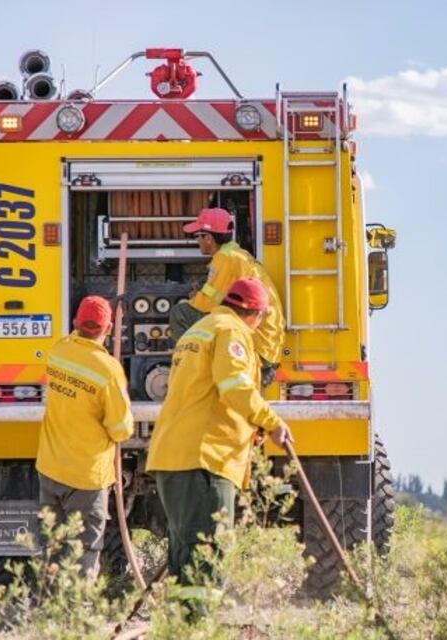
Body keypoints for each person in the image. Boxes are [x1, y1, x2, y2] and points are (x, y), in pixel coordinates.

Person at [147, 278, 291, 603]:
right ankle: (199, 628)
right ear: (255, 313)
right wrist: (270, 422)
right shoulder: (232, 332)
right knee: (207, 556)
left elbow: (204, 394)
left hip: (173, 456)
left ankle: (181, 629)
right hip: (206, 459)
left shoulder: (198, 330)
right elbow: (235, 386)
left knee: (185, 558)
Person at [36, 295, 134, 580]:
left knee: (51, 548)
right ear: (109, 329)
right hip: (86, 477)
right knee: (83, 550)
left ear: (76, 323)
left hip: (51, 469)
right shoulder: (108, 370)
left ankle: (50, 612)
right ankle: (77, 615)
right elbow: (121, 428)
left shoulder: (58, 351)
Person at [168, 207, 285, 385]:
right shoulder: (236, 255)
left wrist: (193, 297)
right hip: (265, 343)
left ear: (208, 238)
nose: (196, 241)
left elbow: (205, 305)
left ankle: (197, 365)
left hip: (258, 344)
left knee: (180, 313)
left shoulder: (225, 258)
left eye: (198, 236)